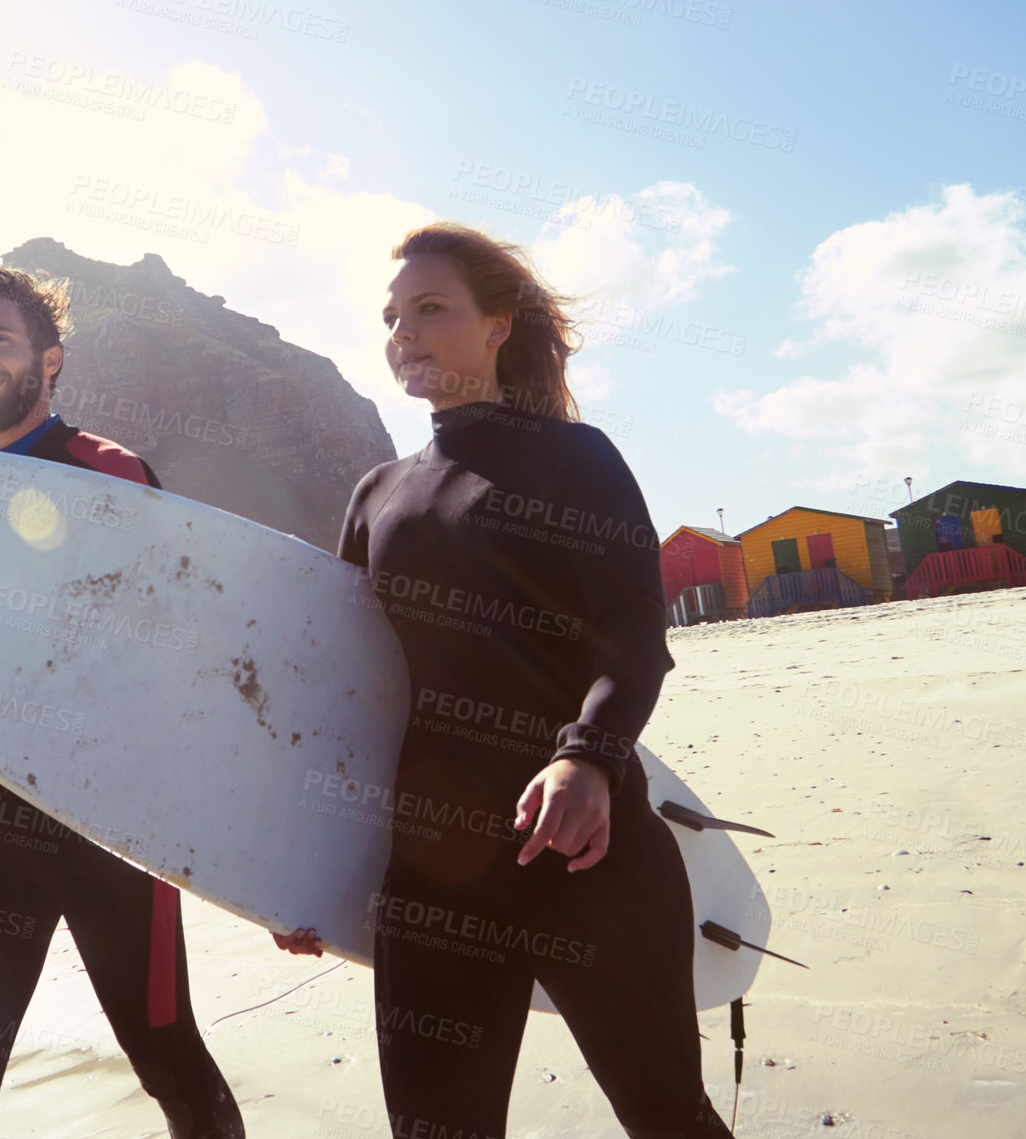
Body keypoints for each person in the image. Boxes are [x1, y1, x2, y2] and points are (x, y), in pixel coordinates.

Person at [276, 224, 732, 1137]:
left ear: (498, 325)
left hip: (585, 852)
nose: (404, 331)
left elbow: (636, 636)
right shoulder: (378, 495)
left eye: (431, 308)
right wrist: (295, 869)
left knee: (667, 1117)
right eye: (393, 316)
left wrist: (588, 761)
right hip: (436, 871)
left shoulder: (576, 460)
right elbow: (344, 693)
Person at [0, 267, 242, 1139]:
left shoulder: (101, 471)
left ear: (51, 360)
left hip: (111, 829)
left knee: (171, 1065)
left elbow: (134, 660)